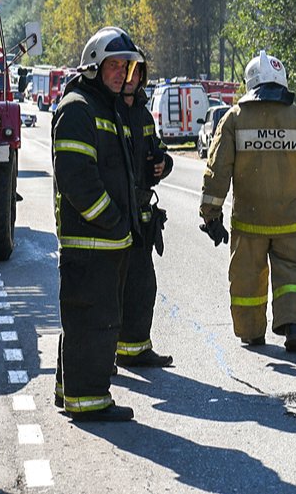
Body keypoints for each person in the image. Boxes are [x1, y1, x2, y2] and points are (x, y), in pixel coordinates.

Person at [51, 26, 143, 422]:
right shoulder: (79, 108)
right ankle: (89, 401)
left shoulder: (107, 107)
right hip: (92, 241)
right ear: (94, 65)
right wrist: (114, 222)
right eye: (114, 66)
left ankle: (67, 390)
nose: (122, 74)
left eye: (127, 67)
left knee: (83, 319)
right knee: (94, 320)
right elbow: (78, 181)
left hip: (107, 241)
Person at [200, 51, 296, 353]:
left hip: (248, 222)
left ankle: (252, 332)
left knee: (247, 280)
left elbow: (218, 169)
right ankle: (293, 326)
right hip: (290, 220)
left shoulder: (234, 119)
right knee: (292, 273)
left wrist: (211, 215)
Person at [115, 55, 174, 368]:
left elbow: (157, 152)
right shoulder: (107, 111)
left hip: (140, 213)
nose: (130, 78)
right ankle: (109, 350)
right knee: (113, 287)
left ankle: (134, 349)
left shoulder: (143, 115)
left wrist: (162, 165)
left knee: (142, 285)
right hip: (113, 215)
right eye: (125, 72)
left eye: (136, 73)